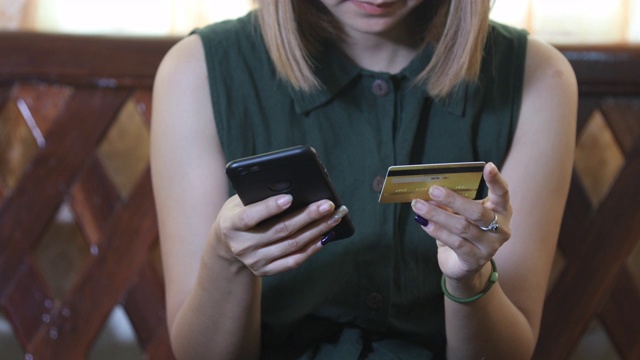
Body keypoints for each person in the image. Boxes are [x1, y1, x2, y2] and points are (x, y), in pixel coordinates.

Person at [150, 0, 577, 358]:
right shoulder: (196, 71)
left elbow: (510, 350)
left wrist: (469, 279)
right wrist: (227, 261)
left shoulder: (539, 78)